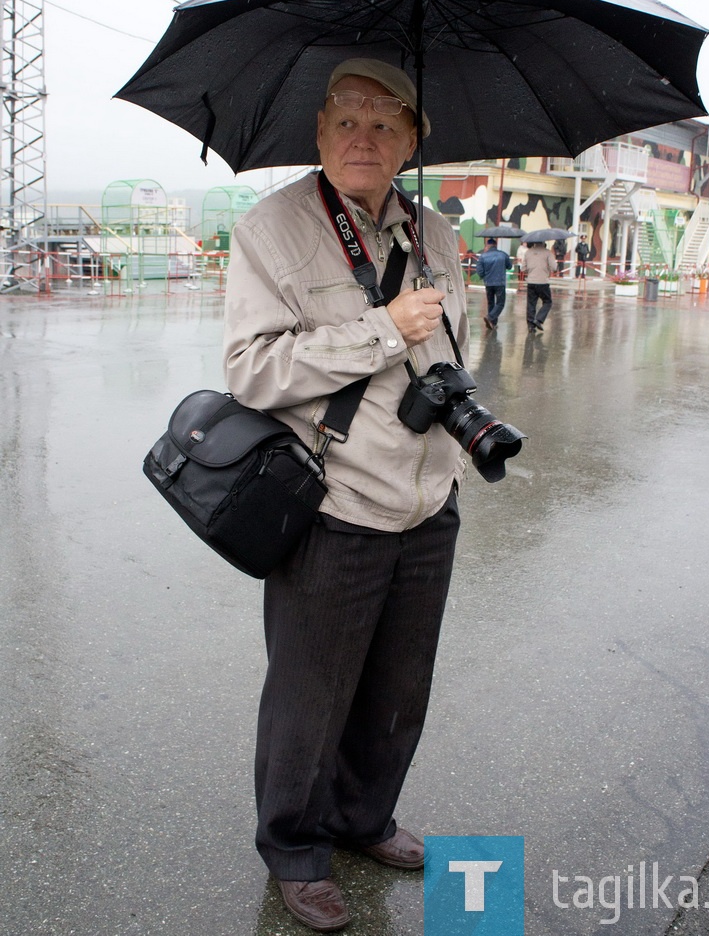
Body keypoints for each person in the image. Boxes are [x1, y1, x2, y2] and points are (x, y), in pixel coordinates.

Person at [223, 58, 468, 933]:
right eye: (347, 119)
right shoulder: (273, 230)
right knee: (310, 693)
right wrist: (378, 329)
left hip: (428, 500)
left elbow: (448, 352)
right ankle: (293, 846)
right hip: (332, 502)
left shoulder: (435, 232)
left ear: (412, 142)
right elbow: (251, 373)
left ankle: (366, 819)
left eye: (386, 122)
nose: (364, 136)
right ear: (320, 132)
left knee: (401, 687)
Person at [475, 236, 512, 329]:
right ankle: (490, 317)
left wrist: (484, 277)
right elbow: (509, 266)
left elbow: (479, 270)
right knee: (500, 303)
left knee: (491, 303)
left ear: (487, 245)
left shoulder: (483, 256)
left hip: (488, 283)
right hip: (500, 283)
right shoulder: (503, 254)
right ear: (495, 245)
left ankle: (492, 323)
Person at [523, 240, 556, 332]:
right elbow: (554, 267)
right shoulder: (547, 253)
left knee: (531, 304)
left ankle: (530, 326)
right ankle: (538, 319)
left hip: (531, 282)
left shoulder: (528, 252)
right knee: (547, 302)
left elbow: (523, 268)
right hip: (542, 282)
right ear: (543, 243)